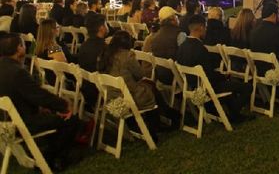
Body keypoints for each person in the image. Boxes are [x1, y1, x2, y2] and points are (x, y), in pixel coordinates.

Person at [0, 32, 80, 171]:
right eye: (55, 27)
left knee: (52, 114)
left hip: (7, 116)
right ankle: (52, 159)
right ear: (19, 48)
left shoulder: (40, 48)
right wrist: (64, 105)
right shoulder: (53, 47)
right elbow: (65, 64)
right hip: (22, 119)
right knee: (71, 121)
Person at [98, 30, 180, 141]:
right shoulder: (128, 56)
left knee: (149, 86)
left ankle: (166, 117)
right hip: (128, 97)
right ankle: (163, 120)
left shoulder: (105, 55)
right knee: (150, 89)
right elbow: (140, 74)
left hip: (112, 96)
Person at [176, 15, 252, 123]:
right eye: (205, 28)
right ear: (201, 28)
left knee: (228, 85)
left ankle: (231, 112)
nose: (206, 30)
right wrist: (223, 75)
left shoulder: (182, 47)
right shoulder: (200, 49)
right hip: (205, 86)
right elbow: (209, 76)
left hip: (191, 84)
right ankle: (234, 114)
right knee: (247, 87)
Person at [150, 6, 186, 84]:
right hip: (175, 77)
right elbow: (184, 58)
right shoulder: (180, 35)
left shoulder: (155, 36)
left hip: (160, 76)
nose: (178, 19)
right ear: (172, 20)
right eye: (176, 17)